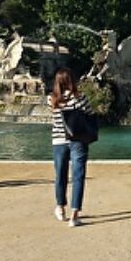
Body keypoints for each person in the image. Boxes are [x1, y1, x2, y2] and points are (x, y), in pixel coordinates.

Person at [48, 68, 90, 227]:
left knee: (60, 175)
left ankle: (60, 207)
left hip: (58, 140)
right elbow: (90, 114)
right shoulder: (80, 98)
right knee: (78, 176)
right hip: (78, 140)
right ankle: (74, 215)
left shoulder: (51, 99)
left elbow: (53, 118)